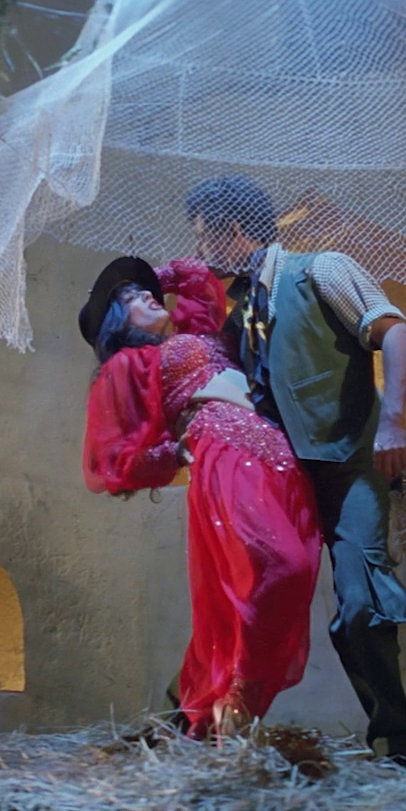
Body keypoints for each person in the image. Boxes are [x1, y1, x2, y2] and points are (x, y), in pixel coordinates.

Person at [184, 174, 406, 762]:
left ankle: (393, 744)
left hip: (348, 470)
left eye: (204, 236)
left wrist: (393, 421)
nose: (202, 251)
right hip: (283, 478)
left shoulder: (322, 270)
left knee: (362, 607)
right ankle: (189, 723)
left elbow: (397, 335)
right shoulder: (241, 313)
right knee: (238, 601)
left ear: (232, 230)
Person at [80, 255, 323, 737]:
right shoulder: (130, 363)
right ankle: (238, 700)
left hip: (278, 453)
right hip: (224, 453)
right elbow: (112, 460)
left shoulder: (195, 332)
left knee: (286, 577)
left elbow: (195, 277)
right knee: (282, 565)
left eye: (143, 293)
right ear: (117, 322)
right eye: (129, 299)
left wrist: (150, 282)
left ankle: (212, 711)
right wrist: (176, 451)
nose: (145, 297)